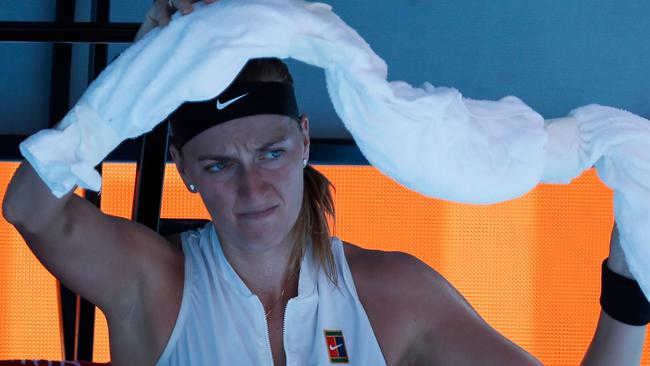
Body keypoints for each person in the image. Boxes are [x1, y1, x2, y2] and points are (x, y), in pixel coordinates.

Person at [2, 0, 648, 365]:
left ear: (306, 141)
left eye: (272, 152)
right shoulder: (153, 282)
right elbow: (31, 208)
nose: (253, 191)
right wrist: (138, 82)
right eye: (220, 166)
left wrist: (632, 272)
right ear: (185, 171)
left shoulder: (391, 292)